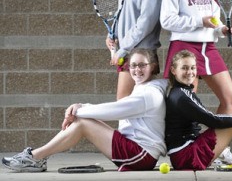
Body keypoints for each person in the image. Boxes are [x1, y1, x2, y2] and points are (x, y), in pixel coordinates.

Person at [2, 48, 168, 172]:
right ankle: (36, 157)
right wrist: (80, 109)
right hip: (136, 150)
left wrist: (78, 110)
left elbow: (115, 110)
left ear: (152, 67)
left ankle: (35, 157)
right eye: (133, 65)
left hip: (140, 155)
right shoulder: (146, 88)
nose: (137, 70)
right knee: (83, 121)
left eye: (142, 65)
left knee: (82, 123)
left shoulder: (149, 94)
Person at [160, 0, 232, 164]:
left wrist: (222, 29)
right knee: (190, 105)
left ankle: (219, 147)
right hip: (184, 46)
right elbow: (167, 20)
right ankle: (196, 148)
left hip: (208, 46)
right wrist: (200, 21)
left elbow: (214, 20)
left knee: (230, 98)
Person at [106, 0, 164, 100]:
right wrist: (113, 35)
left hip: (141, 53)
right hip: (128, 49)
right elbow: (122, 14)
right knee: (129, 105)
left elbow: (145, 24)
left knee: (124, 103)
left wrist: (123, 49)